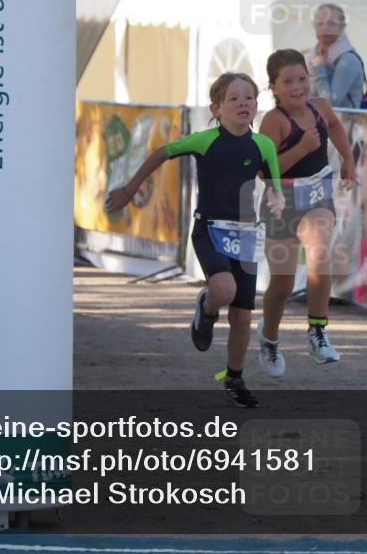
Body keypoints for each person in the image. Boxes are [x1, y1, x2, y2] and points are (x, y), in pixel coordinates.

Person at [106, 72, 284, 407]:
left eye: (249, 97)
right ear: (216, 108)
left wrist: (277, 199)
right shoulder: (204, 140)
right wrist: (130, 190)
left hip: (245, 236)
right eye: (234, 98)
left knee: (243, 317)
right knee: (224, 291)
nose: (243, 102)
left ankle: (233, 377)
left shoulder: (263, 145)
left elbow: (273, 183)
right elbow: (162, 152)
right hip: (210, 230)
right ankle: (206, 307)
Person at [258, 49, 356, 378]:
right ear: (273, 86)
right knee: (282, 285)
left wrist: (348, 161)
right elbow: (264, 172)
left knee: (320, 252)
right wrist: (301, 149)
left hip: (317, 197)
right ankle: (269, 338)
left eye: (302, 78)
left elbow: (336, 127)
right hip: (281, 201)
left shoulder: (321, 108)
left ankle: (317, 330)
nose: (298, 87)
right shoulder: (273, 121)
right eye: (288, 82)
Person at [306, 4, 367, 109]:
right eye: (319, 23)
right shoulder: (313, 56)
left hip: (344, 124)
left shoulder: (348, 60)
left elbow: (330, 104)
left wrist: (320, 70)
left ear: (342, 27)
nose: (324, 28)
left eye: (331, 23)